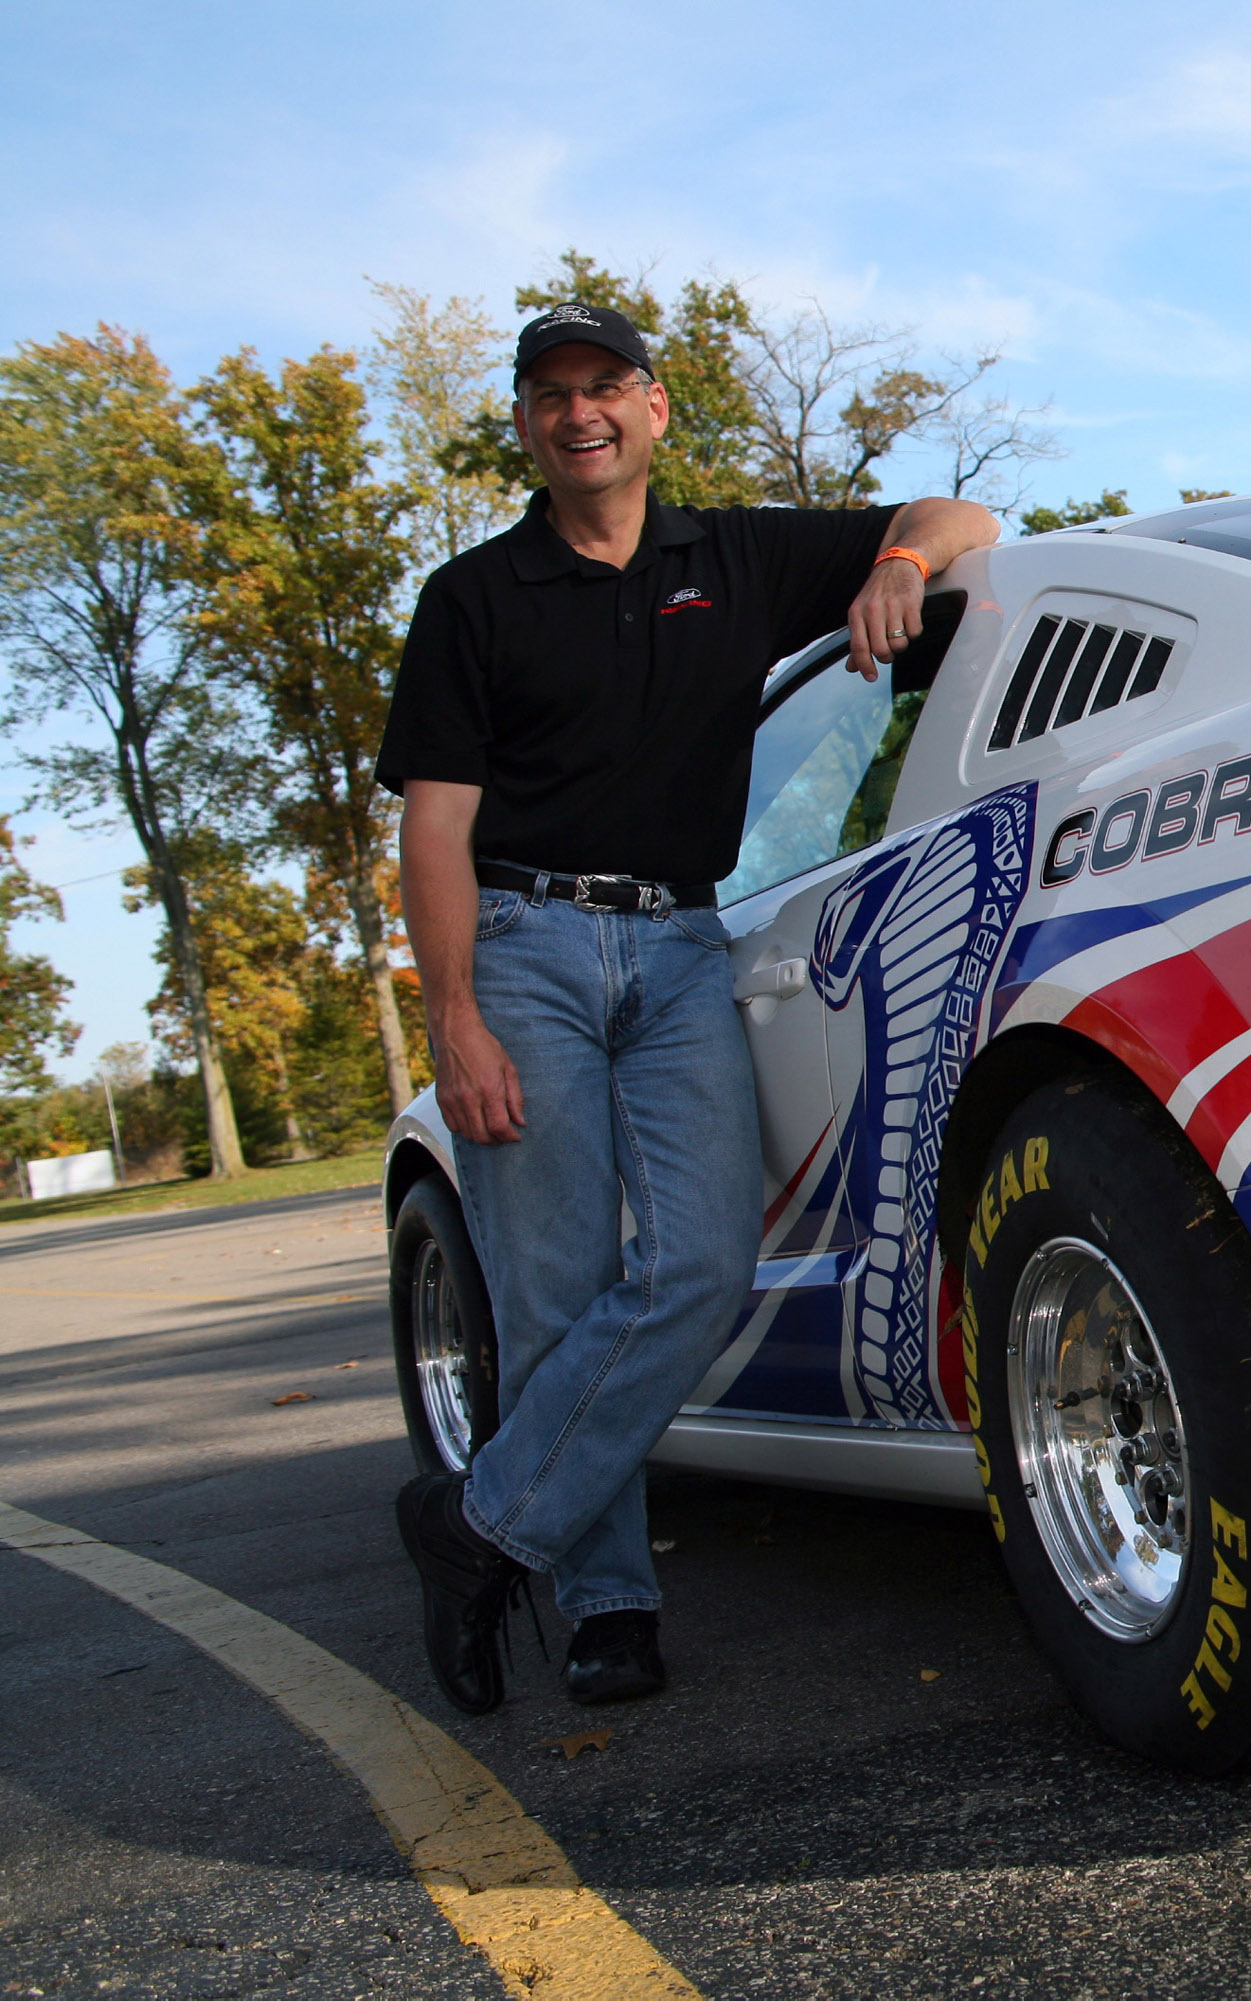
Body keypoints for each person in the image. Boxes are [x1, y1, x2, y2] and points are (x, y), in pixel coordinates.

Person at [376, 303, 1000, 1712]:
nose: (579, 411)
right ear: (527, 427)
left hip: (675, 949)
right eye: (551, 393)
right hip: (524, 939)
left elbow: (961, 511)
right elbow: (432, 828)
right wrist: (455, 1020)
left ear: (652, 410)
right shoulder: (472, 600)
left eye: (605, 386)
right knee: (549, 1295)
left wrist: (898, 561)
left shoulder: (735, 555)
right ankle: (603, 1605)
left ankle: (479, 1527)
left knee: (705, 1267)